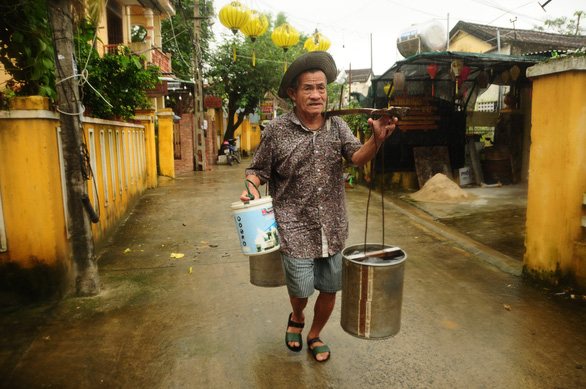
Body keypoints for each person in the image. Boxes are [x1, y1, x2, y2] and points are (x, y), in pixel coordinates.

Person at [239, 51, 397, 362]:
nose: (316, 95)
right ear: (292, 94)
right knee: (301, 289)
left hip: (333, 224)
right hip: (293, 225)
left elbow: (356, 156)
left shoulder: (337, 126)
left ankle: (314, 333)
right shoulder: (276, 131)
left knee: (329, 288)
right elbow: (257, 170)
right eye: (308, 88)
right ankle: (297, 316)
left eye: (321, 88)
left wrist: (377, 140)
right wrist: (250, 189)